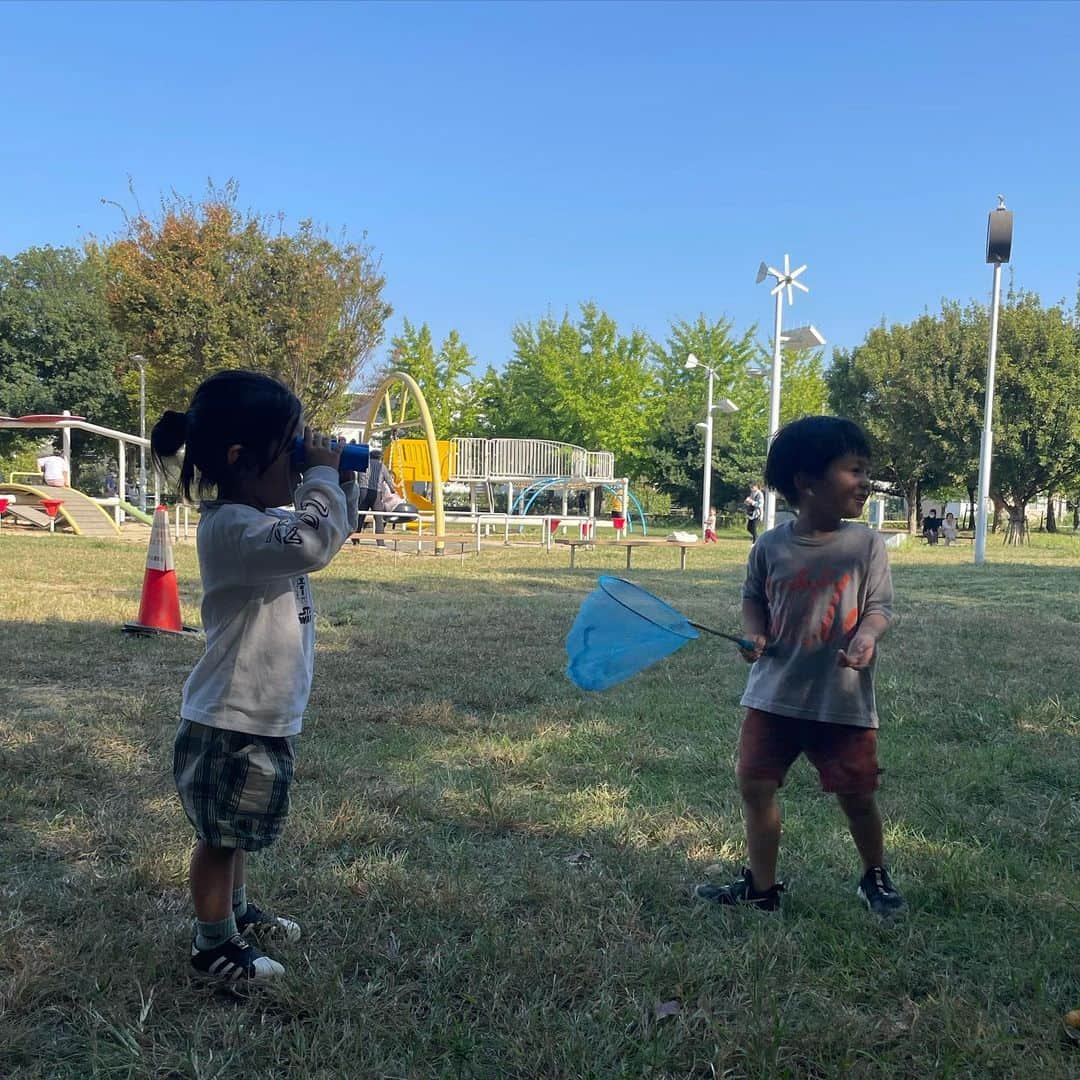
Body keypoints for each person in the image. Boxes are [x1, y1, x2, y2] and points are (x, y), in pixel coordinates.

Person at [150, 370, 358, 981]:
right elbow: (313, 544)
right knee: (220, 837)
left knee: (237, 828)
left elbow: (325, 536)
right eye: (290, 452)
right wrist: (322, 476)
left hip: (258, 711)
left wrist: (336, 477)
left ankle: (235, 912)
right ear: (240, 459)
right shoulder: (233, 529)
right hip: (228, 717)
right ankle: (212, 943)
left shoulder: (262, 526)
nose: (298, 470)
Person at [693, 415, 904, 918]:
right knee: (756, 785)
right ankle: (762, 888)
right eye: (854, 470)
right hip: (773, 694)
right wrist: (754, 633)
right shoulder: (768, 545)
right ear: (807, 482)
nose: (865, 482)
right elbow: (752, 599)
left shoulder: (866, 544)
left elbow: (879, 607)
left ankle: (874, 875)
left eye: (866, 470)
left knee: (857, 794)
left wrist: (867, 638)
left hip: (841, 697)